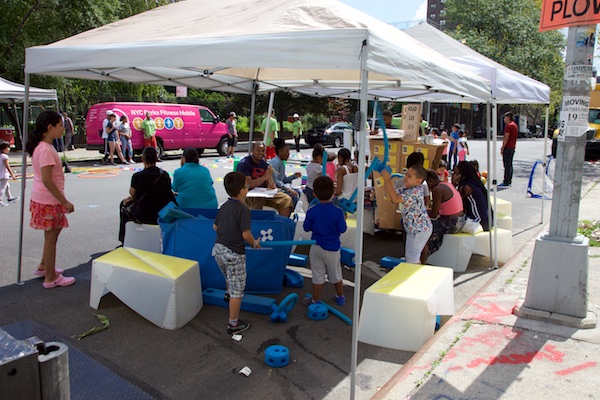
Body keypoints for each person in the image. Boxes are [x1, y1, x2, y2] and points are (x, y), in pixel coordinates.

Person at [25, 111, 76, 288]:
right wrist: (64, 201)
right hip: (49, 201)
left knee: (51, 236)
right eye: (60, 125)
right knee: (51, 238)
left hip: (43, 199)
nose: (63, 129)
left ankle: (45, 266)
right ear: (50, 127)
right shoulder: (45, 149)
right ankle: (51, 276)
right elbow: (48, 180)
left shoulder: (41, 146)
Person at [212, 171, 261, 335]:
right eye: (246, 186)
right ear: (242, 191)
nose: (247, 189)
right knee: (238, 289)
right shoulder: (244, 209)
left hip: (218, 250)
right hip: (234, 254)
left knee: (229, 277)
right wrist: (254, 243)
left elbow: (215, 227)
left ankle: (228, 295)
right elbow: (246, 235)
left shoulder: (224, 206)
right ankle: (233, 324)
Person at [303, 175, 347, 306]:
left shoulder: (312, 211)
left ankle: (315, 299)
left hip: (316, 246)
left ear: (314, 194)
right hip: (333, 248)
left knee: (317, 275)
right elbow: (342, 229)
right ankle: (340, 297)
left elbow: (306, 228)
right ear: (333, 193)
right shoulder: (338, 212)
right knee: (336, 274)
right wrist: (343, 218)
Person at [118, 147, 175, 243]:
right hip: (162, 213)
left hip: (143, 214)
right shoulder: (164, 175)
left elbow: (132, 193)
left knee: (123, 205)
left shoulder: (138, 176)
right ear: (156, 159)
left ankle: (124, 240)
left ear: (143, 159)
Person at [379, 165, 432, 264]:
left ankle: (415, 277)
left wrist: (387, 180)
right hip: (414, 229)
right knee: (410, 257)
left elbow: (395, 199)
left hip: (420, 230)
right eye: (406, 174)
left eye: (409, 176)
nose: (405, 178)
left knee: (412, 258)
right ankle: (414, 272)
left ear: (418, 181)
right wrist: (387, 182)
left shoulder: (414, 192)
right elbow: (392, 196)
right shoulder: (408, 188)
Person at [236, 142, 293, 217]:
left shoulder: (264, 164)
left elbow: (269, 182)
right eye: (258, 150)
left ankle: (282, 223)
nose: (261, 153)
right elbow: (248, 184)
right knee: (258, 200)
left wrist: (271, 184)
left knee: (286, 199)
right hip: (249, 194)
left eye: (263, 151)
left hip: (265, 193)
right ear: (252, 150)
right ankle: (257, 224)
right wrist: (264, 177)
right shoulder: (244, 164)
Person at [423, 170, 466, 262]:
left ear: (429, 181)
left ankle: (423, 257)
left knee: (423, 228)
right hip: (461, 220)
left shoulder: (437, 190)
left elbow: (434, 214)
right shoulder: (447, 184)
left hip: (452, 223)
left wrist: (422, 211)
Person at [452, 161, 492, 231]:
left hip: (479, 222)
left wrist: (453, 184)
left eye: (455, 173)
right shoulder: (474, 183)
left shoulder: (465, 188)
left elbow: (456, 205)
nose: (453, 175)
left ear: (461, 175)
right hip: (487, 221)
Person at [269, 139, 302, 209]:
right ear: (280, 151)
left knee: (298, 191)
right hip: (275, 190)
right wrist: (288, 189)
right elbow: (275, 180)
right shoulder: (276, 162)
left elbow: (283, 179)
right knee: (294, 195)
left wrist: (294, 176)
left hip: (280, 188)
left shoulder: (280, 162)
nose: (289, 154)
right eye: (287, 152)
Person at [500, 111, 518, 188]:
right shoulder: (515, 125)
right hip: (512, 147)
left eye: (505, 117)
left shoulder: (509, 126)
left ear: (508, 117)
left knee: (506, 165)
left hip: (508, 147)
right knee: (510, 165)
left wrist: (503, 147)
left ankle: (506, 181)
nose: (504, 119)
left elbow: (506, 137)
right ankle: (509, 180)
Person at [0, 140, 19, 207]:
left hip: (1, 174)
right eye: (8, 147)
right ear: (3, 148)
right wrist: (12, 174)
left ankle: (9, 197)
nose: (9, 149)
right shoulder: (5, 156)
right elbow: (7, 166)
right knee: (3, 188)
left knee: (7, 186)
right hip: (3, 174)